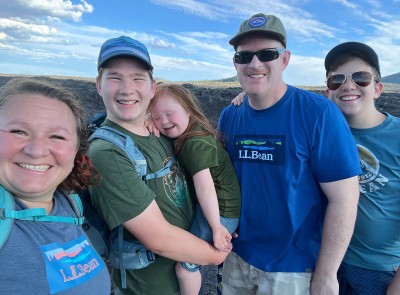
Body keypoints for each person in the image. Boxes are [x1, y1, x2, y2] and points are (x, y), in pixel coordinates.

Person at [218, 13, 361, 295]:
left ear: (284, 60)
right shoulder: (229, 116)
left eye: (267, 54)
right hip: (236, 257)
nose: (255, 64)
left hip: (293, 268)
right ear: (235, 63)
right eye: (244, 57)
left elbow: (344, 198)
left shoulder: (319, 114)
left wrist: (327, 273)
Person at [88, 36, 231, 295]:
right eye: (115, 77)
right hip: (150, 286)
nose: (127, 89)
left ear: (152, 87)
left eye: (137, 78)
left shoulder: (158, 130)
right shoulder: (107, 153)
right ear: (99, 85)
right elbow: (159, 239)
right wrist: (214, 256)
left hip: (178, 276)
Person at [0, 78, 111, 294]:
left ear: (77, 151)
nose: (36, 150)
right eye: (18, 131)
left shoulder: (69, 201)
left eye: (57, 136)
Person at [148, 83, 241, 295]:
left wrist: (217, 226)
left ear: (188, 109)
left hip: (220, 213)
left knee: (184, 268)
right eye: (155, 117)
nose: (164, 121)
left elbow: (205, 186)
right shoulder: (191, 132)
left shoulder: (194, 144)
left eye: (169, 113)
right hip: (220, 210)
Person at [324, 41, 400, 295]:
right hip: (324, 259)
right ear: (328, 92)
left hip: (378, 269)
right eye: (337, 80)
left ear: (378, 88)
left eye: (361, 78)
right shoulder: (323, 131)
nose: (348, 85)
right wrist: (250, 93)